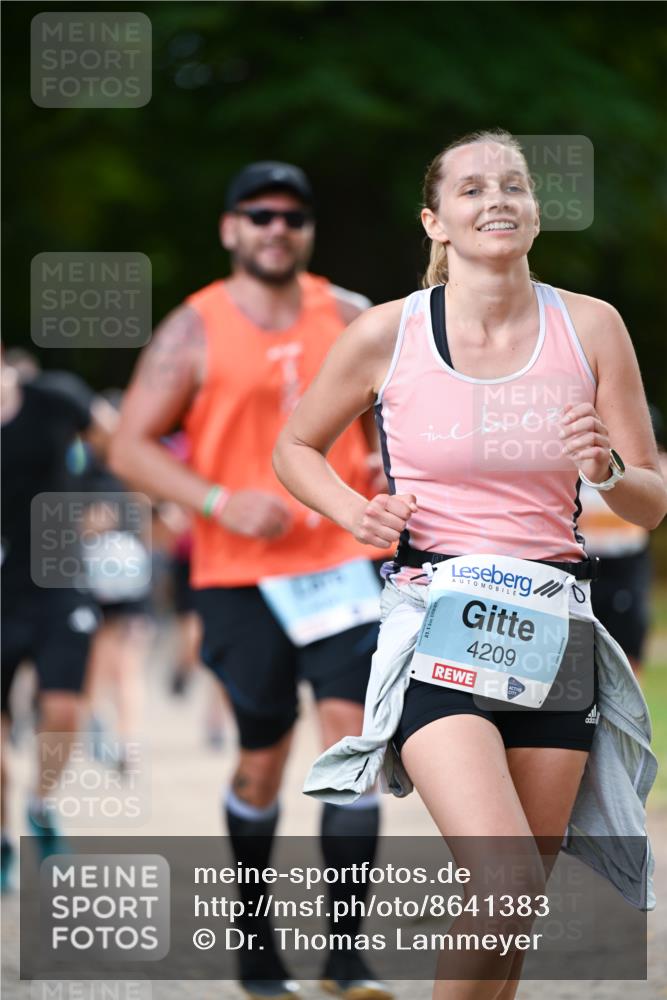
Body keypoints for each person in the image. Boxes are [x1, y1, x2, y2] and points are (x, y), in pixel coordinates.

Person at [273, 131, 667, 999]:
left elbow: (652, 496)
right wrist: (352, 510)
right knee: (503, 883)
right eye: (471, 189)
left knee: (513, 913)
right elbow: (294, 444)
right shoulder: (388, 332)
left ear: (534, 213)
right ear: (436, 220)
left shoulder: (592, 326)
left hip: (556, 631)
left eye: (514, 186)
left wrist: (604, 469)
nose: (496, 199)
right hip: (439, 619)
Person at [111, 162, 393, 1000]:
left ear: (306, 230)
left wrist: (381, 460)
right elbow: (127, 445)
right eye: (258, 214)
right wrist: (215, 500)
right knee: (261, 766)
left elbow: (395, 407)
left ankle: (347, 956)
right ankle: (254, 937)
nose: (277, 227)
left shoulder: (346, 313)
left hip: (343, 565)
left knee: (352, 750)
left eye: (292, 215)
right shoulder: (192, 329)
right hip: (239, 578)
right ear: (232, 229)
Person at [1, 355, 115, 888]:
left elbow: (120, 444)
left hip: (56, 578)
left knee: (64, 708)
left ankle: (40, 805)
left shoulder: (54, 397)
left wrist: (105, 499)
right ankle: (4, 837)